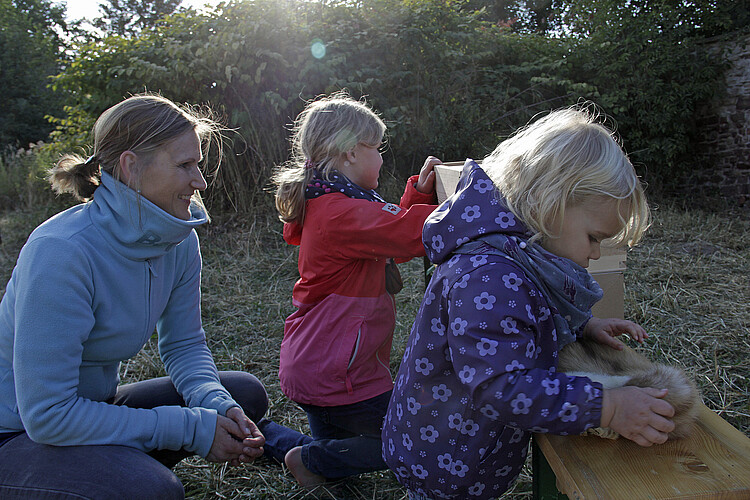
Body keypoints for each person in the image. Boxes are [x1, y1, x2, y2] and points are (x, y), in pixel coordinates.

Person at [382, 105, 676, 499]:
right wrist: (608, 407)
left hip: (468, 452)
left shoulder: (514, 256)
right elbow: (499, 385)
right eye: (594, 237)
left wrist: (585, 326)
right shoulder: (487, 274)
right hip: (446, 460)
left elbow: (522, 317)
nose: (593, 254)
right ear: (550, 203)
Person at [0, 93, 269, 499]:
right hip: (18, 432)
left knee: (242, 395)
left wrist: (215, 405)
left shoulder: (177, 238)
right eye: (184, 165)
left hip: (92, 407)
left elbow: (184, 344)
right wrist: (188, 428)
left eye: (197, 164)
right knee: (151, 491)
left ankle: (109, 471)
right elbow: (48, 416)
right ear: (131, 166)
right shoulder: (62, 252)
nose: (200, 181)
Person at [261, 91, 440, 487]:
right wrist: (468, 201)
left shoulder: (331, 201)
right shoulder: (339, 212)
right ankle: (306, 459)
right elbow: (408, 232)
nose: (381, 158)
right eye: (376, 148)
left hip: (318, 363)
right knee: (409, 440)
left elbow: (385, 232)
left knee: (338, 465)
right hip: (339, 373)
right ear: (349, 153)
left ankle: (270, 438)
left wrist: (420, 195)